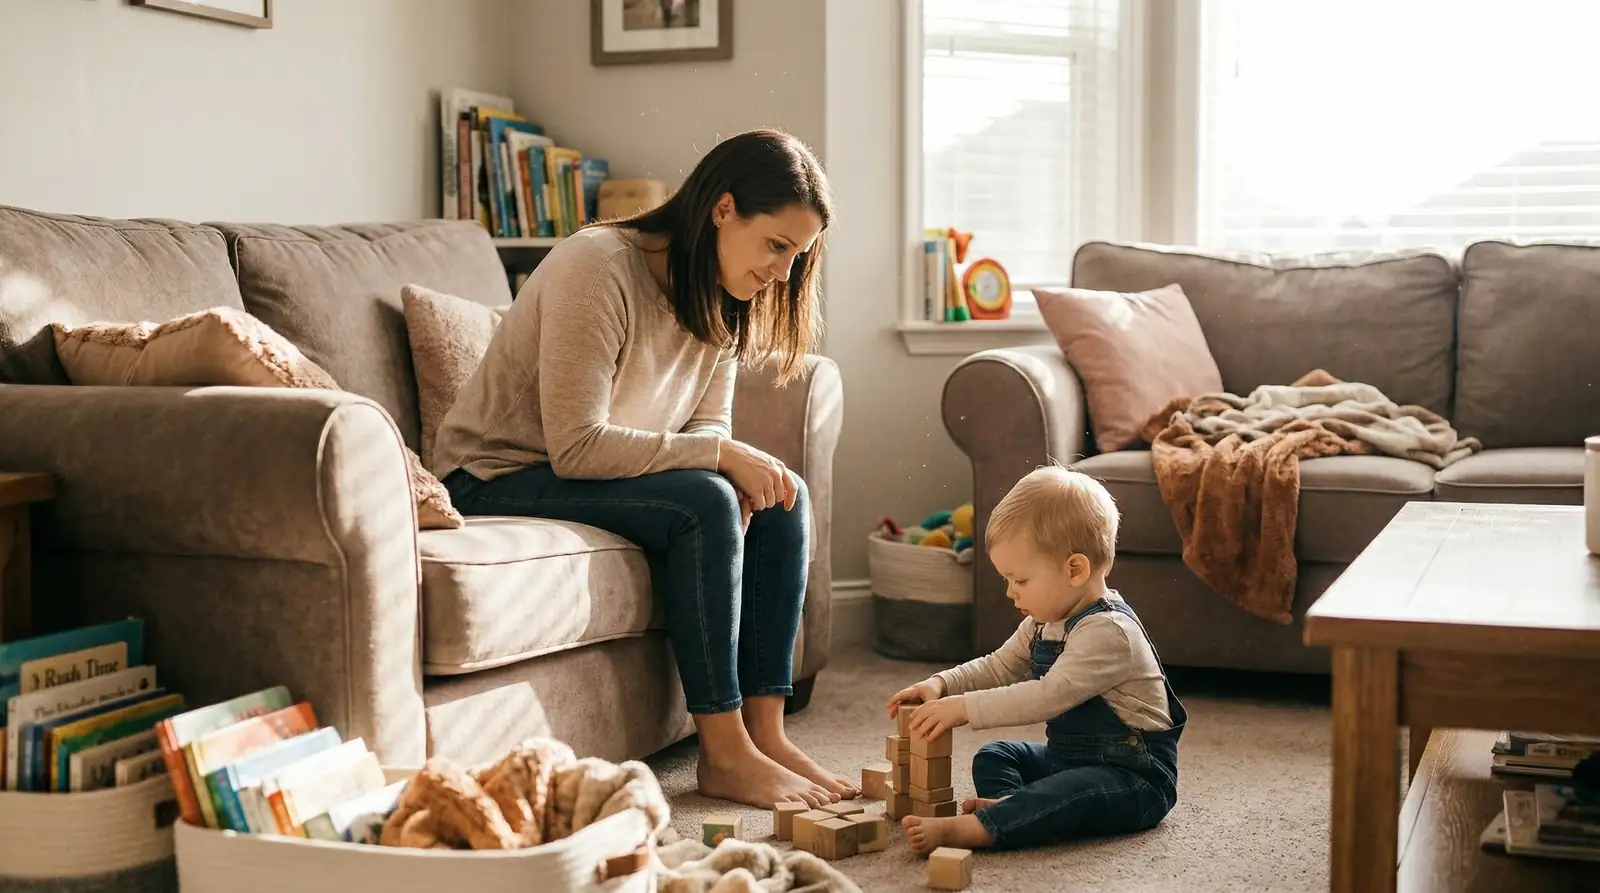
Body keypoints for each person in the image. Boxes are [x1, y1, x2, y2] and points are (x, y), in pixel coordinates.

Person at [432, 128, 856, 809]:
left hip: (587, 473)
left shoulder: (727, 292)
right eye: (776, 245)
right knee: (708, 499)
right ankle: (721, 755)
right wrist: (720, 460)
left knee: (781, 493)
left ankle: (763, 732)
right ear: (723, 210)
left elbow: (705, 424)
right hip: (492, 476)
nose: (782, 271)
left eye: (796, 255)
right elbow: (576, 445)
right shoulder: (597, 265)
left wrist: (727, 458)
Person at [885, 466, 1187, 852]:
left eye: (1020, 580)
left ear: (1074, 569)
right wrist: (942, 683)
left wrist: (964, 709)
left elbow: (1048, 695)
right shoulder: (1043, 623)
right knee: (996, 755)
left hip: (1135, 778)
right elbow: (998, 665)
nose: (1010, 592)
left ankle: (985, 828)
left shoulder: (1109, 632)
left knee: (1073, 790)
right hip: (1069, 760)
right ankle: (1019, 811)